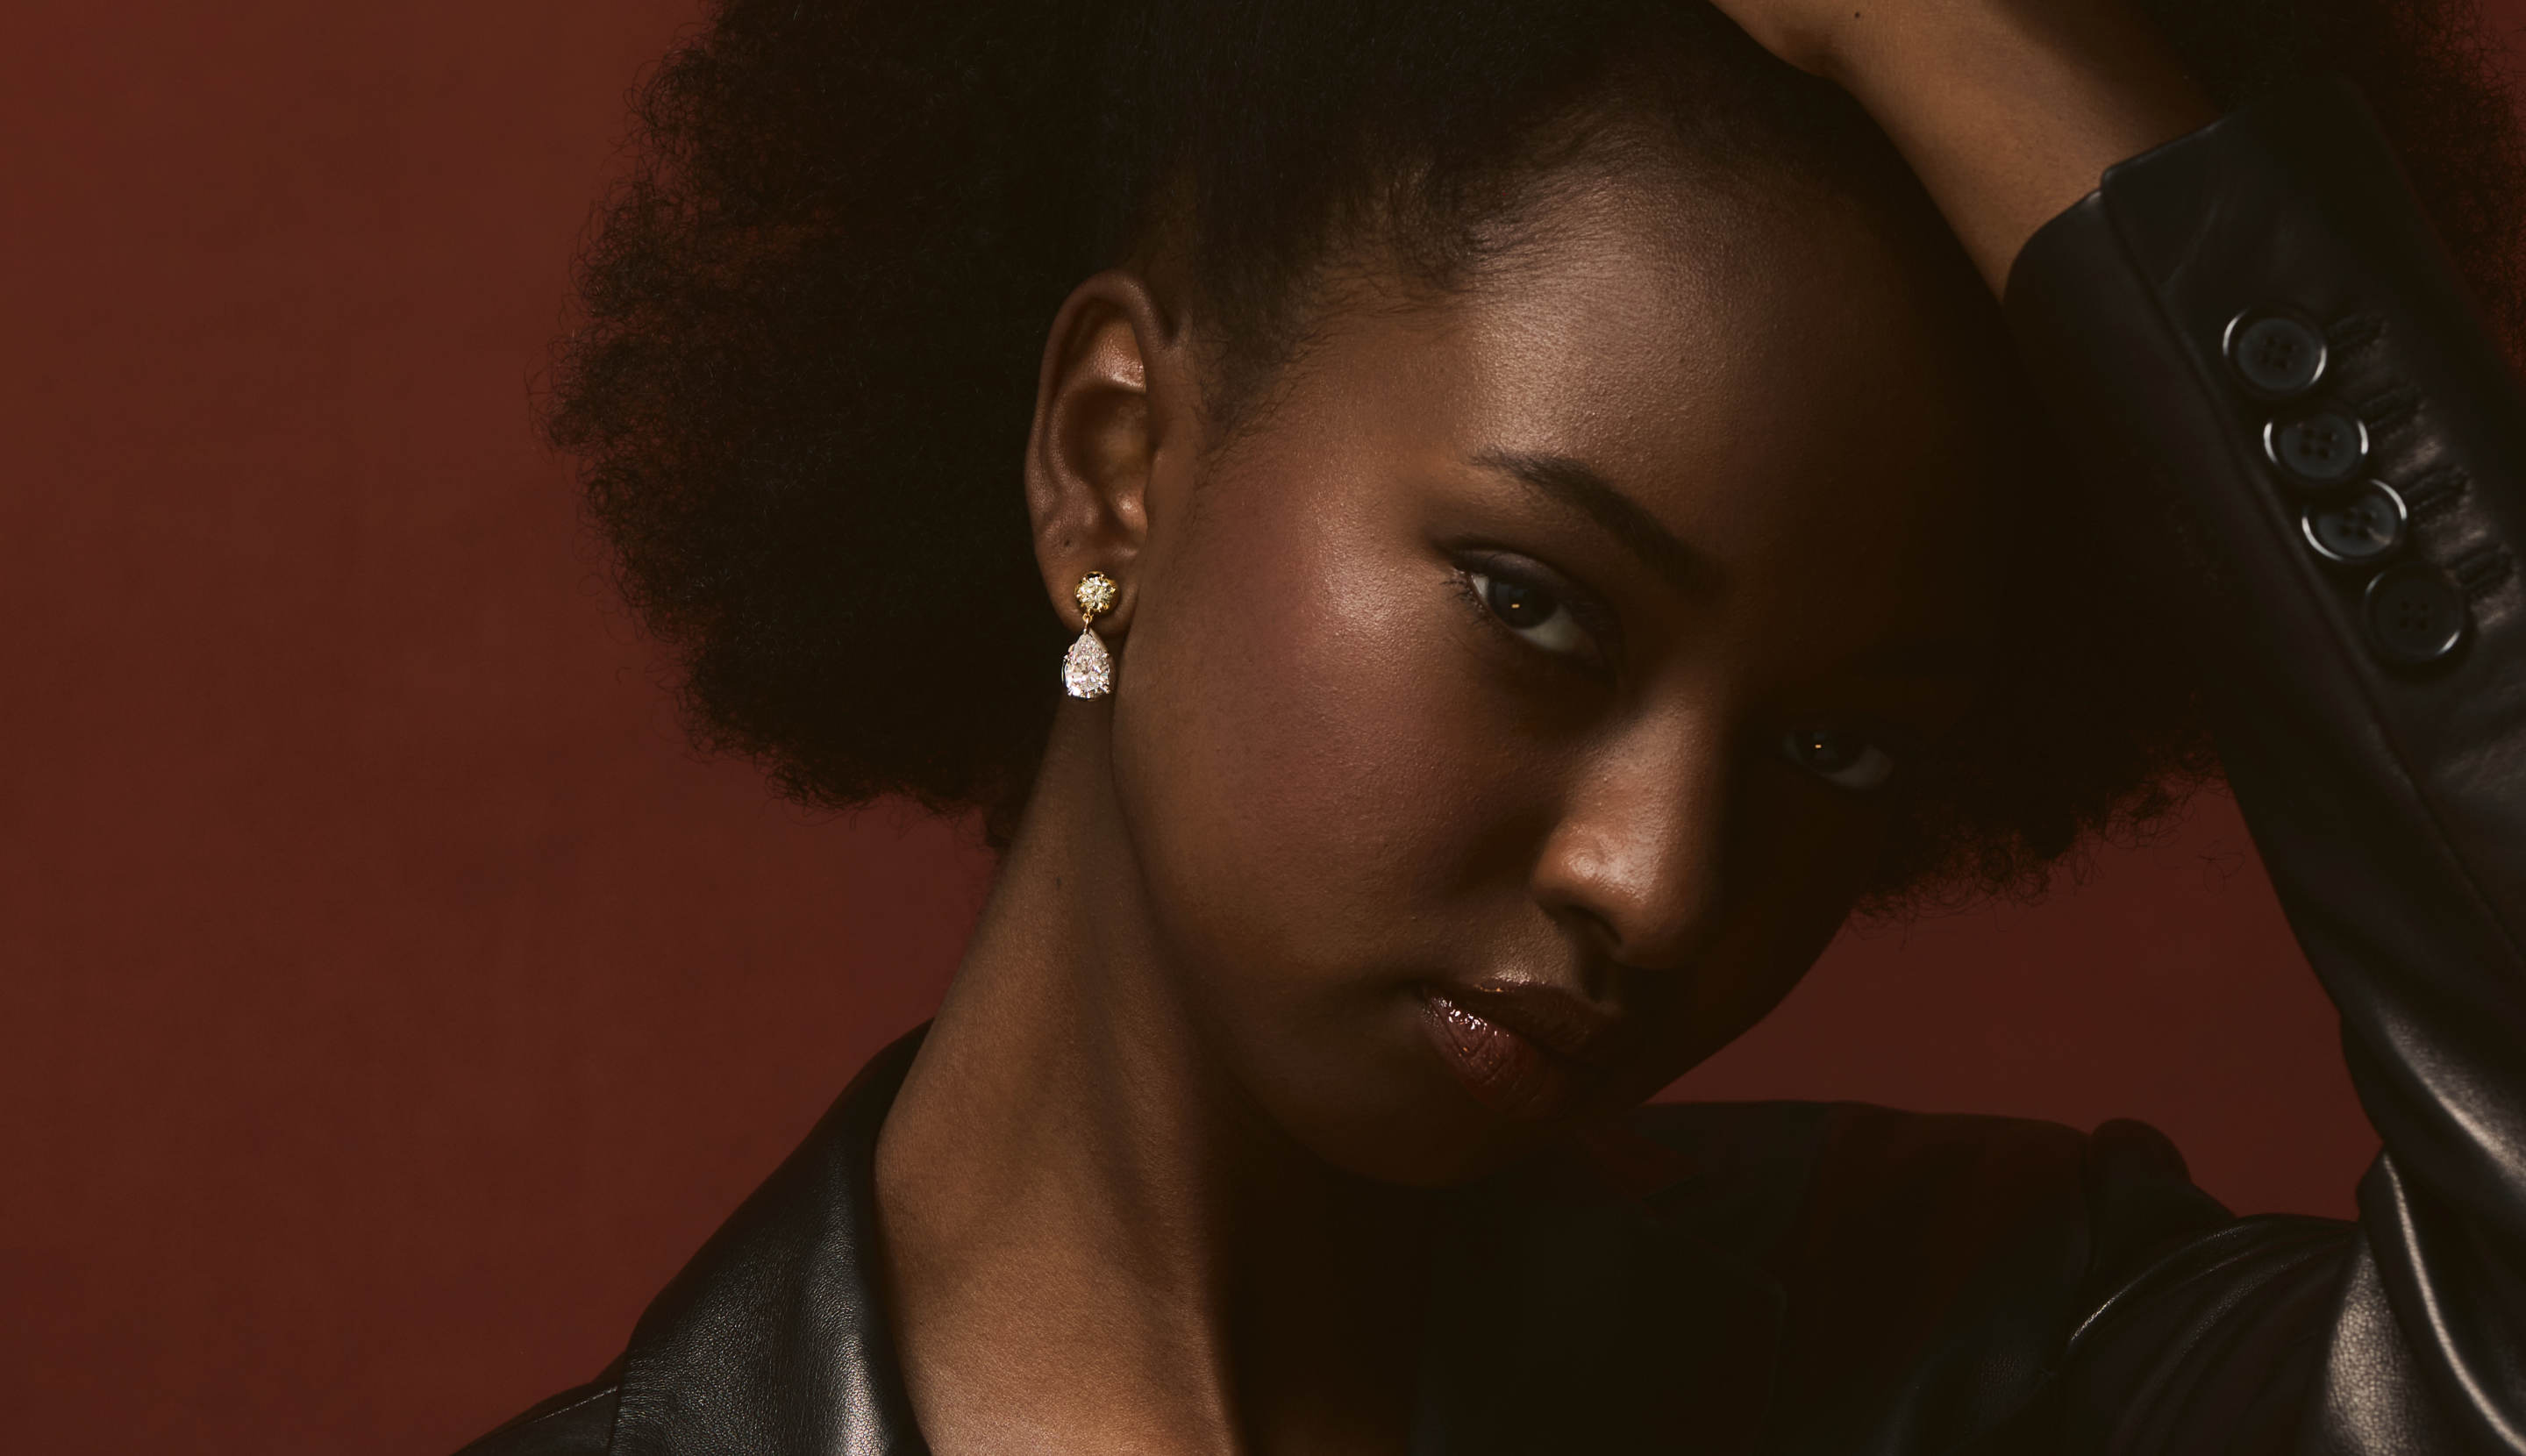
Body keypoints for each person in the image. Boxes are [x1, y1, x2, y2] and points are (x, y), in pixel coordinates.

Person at [462, 0, 2526, 1449]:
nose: (1661, 879)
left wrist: (1977, 45)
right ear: (1113, 462)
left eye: (1834, 750)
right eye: (1534, 606)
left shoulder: (1992, 1360)